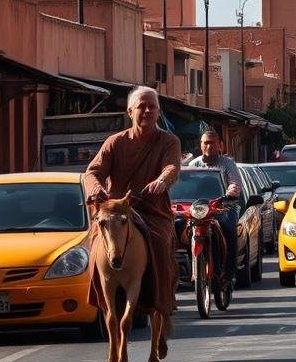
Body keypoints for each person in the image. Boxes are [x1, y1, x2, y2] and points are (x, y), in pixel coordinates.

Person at [83, 86, 183, 329]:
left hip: (152, 211)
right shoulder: (114, 142)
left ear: (158, 112)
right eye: (141, 106)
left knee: (159, 243)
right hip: (117, 211)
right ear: (130, 111)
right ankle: (102, 301)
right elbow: (93, 171)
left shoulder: (169, 141)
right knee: (96, 243)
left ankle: (160, 301)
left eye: (152, 107)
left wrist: (161, 181)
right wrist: (97, 189)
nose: (147, 111)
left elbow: (172, 167)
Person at [187, 130, 245, 284]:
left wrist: (232, 190)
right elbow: (186, 186)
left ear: (220, 145)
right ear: (200, 145)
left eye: (212, 143)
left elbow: (235, 183)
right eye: (206, 142)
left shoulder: (228, 164)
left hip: (224, 207)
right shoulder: (193, 165)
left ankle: (228, 273)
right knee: (179, 229)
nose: (209, 146)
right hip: (199, 209)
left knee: (228, 229)